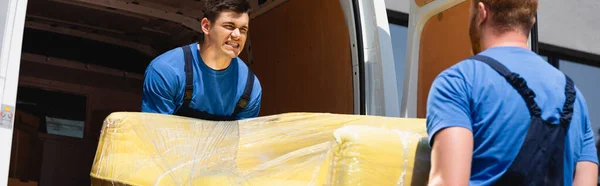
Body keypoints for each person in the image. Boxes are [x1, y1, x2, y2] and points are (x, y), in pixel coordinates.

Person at [425, 0, 598, 185]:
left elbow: (449, 182)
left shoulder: (459, 82)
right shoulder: (575, 98)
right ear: (531, 20)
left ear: (482, 13)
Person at [141, 0, 262, 121]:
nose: (237, 35)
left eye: (243, 30)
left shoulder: (250, 88)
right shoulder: (166, 71)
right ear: (206, 26)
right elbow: (156, 134)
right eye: (229, 26)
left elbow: (244, 138)